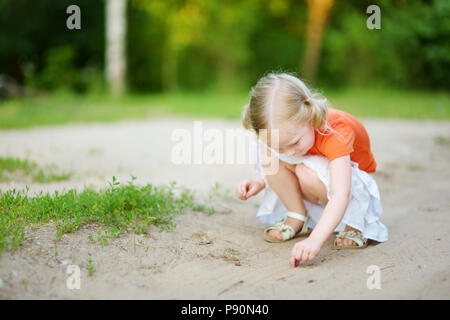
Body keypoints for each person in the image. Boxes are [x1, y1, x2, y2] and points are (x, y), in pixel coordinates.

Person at [236, 72, 388, 267]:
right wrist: (259, 180)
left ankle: (353, 224)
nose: (288, 153)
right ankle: (296, 215)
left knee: (305, 173)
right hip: (317, 176)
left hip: (351, 186)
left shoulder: (335, 131)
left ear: (310, 117)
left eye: (294, 142)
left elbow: (342, 192)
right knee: (268, 153)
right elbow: (278, 151)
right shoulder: (284, 136)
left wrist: (315, 241)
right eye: (281, 147)